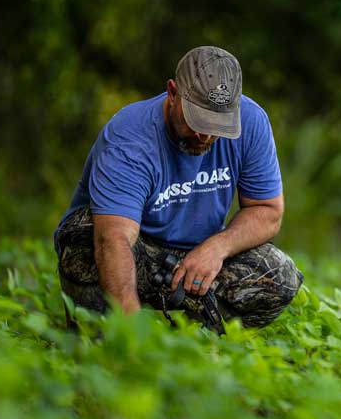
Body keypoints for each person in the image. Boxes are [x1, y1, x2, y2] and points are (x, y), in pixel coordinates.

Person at [53, 46, 303, 333]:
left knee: (278, 275)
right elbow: (113, 239)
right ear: (173, 93)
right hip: (132, 250)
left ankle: (189, 343)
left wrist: (217, 247)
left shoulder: (252, 121)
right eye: (197, 120)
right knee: (85, 232)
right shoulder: (130, 138)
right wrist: (133, 336)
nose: (204, 134)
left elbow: (267, 211)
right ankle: (112, 333)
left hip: (194, 257)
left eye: (217, 125)